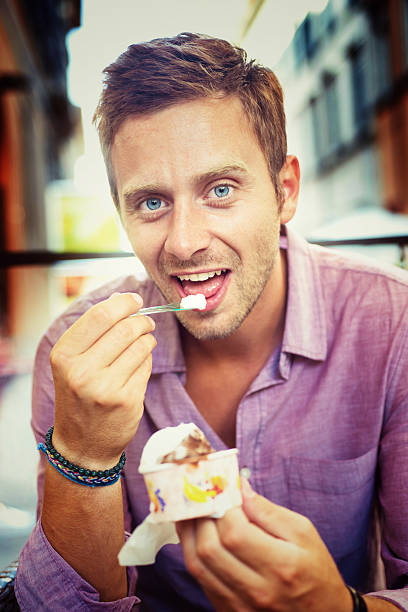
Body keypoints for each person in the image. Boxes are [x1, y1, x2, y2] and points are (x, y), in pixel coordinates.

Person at [15, 32, 407, 611]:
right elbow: (62, 607)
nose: (185, 243)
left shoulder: (391, 326)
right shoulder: (76, 354)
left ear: (285, 191)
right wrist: (83, 453)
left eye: (220, 190)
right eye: (151, 202)